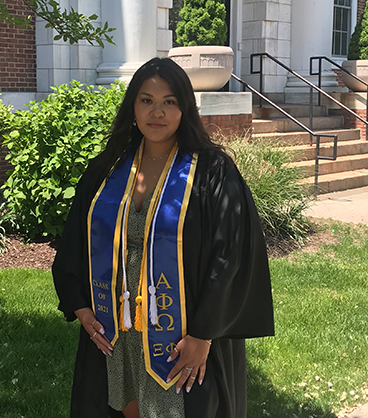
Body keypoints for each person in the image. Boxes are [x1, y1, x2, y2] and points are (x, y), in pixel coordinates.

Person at [52, 57, 274, 418]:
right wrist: (79, 303)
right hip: (118, 326)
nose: (157, 112)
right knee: (123, 406)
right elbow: (76, 238)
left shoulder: (212, 173)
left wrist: (203, 335)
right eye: (146, 100)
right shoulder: (108, 168)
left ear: (185, 108)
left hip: (183, 331)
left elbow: (229, 257)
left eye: (169, 101)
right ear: (133, 107)